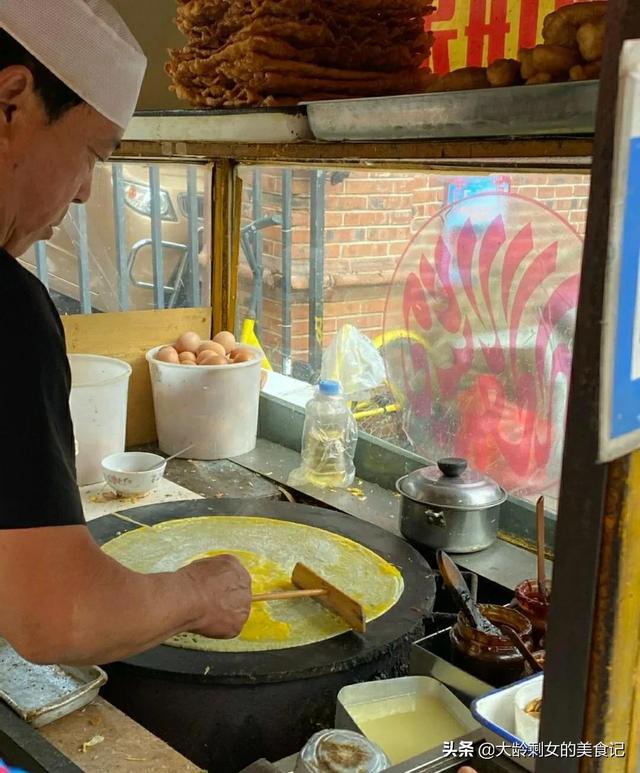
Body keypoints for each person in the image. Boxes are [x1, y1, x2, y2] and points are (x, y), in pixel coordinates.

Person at [0, 0, 252, 666]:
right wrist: (199, 591)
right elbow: (59, 614)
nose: (86, 192)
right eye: (93, 151)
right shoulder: (8, 312)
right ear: (12, 103)